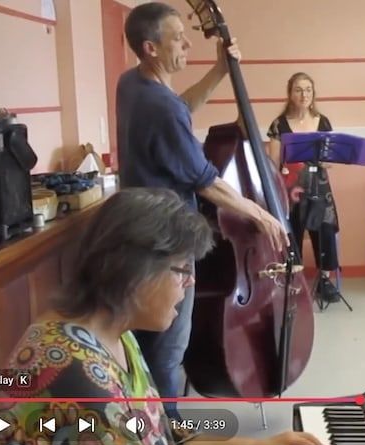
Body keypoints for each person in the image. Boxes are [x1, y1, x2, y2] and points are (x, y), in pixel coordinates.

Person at [0, 188, 322, 445]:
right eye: (182, 270)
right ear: (134, 273)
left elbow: (159, 434)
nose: (191, 282)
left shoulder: (115, 332)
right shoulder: (79, 378)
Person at [115, 2, 287, 419]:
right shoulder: (160, 106)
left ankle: (147, 421)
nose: (187, 44)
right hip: (168, 240)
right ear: (151, 47)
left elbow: (181, 107)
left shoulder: (131, 83)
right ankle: (165, 430)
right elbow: (206, 181)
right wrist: (262, 214)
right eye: (178, 38)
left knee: (148, 341)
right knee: (168, 348)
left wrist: (219, 72)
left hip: (138, 230)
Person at [267, 73, 340, 302]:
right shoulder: (279, 124)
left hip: (319, 185)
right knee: (293, 232)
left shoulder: (322, 121)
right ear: (290, 93)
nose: (304, 94)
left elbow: (330, 161)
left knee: (325, 230)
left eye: (308, 89)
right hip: (292, 188)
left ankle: (325, 280)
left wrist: (323, 159)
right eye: (298, 90)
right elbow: (273, 163)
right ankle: (293, 280)